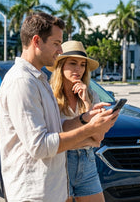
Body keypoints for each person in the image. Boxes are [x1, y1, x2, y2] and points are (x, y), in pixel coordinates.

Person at [0, 12, 119, 202]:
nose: (60, 49)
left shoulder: (39, 80)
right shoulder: (22, 82)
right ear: (37, 41)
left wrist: (84, 118)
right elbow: (39, 146)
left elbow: (55, 130)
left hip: (51, 189)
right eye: (56, 43)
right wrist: (90, 129)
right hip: (33, 193)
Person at [48, 40, 105, 202]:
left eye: (82, 65)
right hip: (60, 163)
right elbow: (53, 137)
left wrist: (86, 101)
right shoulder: (50, 97)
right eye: (73, 63)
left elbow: (98, 137)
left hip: (87, 161)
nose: (78, 69)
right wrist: (87, 138)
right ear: (61, 66)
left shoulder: (92, 95)